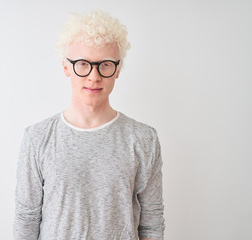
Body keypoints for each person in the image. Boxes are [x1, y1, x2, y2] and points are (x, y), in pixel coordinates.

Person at [13, 10, 165, 240]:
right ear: (66, 67)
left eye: (105, 64)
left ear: (118, 69)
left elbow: (152, 222)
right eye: (83, 64)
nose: (94, 76)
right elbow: (26, 219)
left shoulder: (144, 139)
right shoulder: (37, 137)